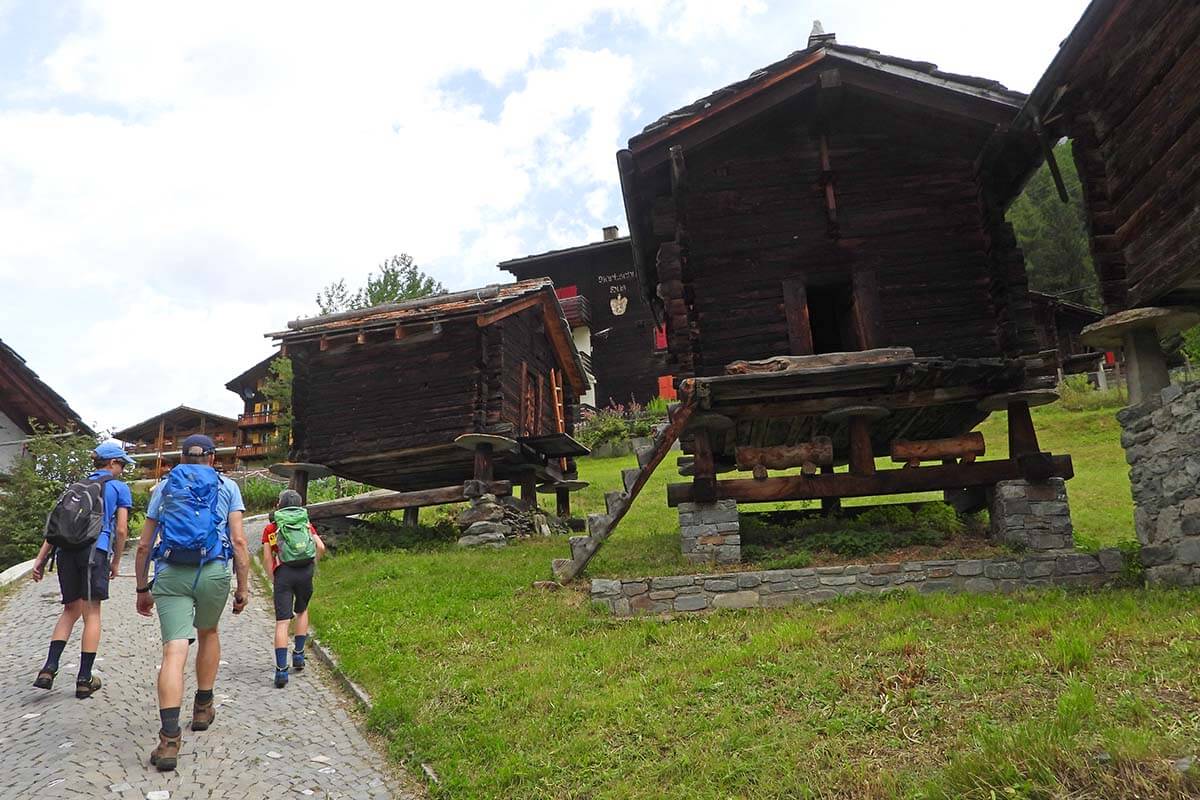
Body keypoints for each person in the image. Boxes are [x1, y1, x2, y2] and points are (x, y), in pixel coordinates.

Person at [134, 434, 250, 772]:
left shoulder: (163, 488)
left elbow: (144, 546)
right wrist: (242, 588)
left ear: (182, 458)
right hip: (213, 572)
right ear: (213, 458)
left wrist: (143, 588)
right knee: (209, 632)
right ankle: (202, 708)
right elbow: (240, 541)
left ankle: (169, 741)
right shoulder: (227, 487)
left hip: (171, 573)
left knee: (174, 650)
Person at [31, 442, 134, 698]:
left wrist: (40, 560)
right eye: (121, 464)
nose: (122, 469)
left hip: (66, 552)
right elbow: (121, 530)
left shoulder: (75, 487)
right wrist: (116, 561)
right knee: (92, 613)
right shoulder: (118, 487)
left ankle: (49, 667)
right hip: (94, 552)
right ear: (111, 463)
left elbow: (57, 528)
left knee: (70, 610)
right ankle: (84, 678)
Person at [261, 489, 325, 688]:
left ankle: (281, 671)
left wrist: (272, 576)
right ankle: (298, 655)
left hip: (284, 573)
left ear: (278, 505)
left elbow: (266, 558)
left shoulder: (272, 528)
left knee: (282, 622)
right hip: (305, 571)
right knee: (302, 610)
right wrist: (313, 564)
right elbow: (320, 547)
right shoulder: (305, 523)